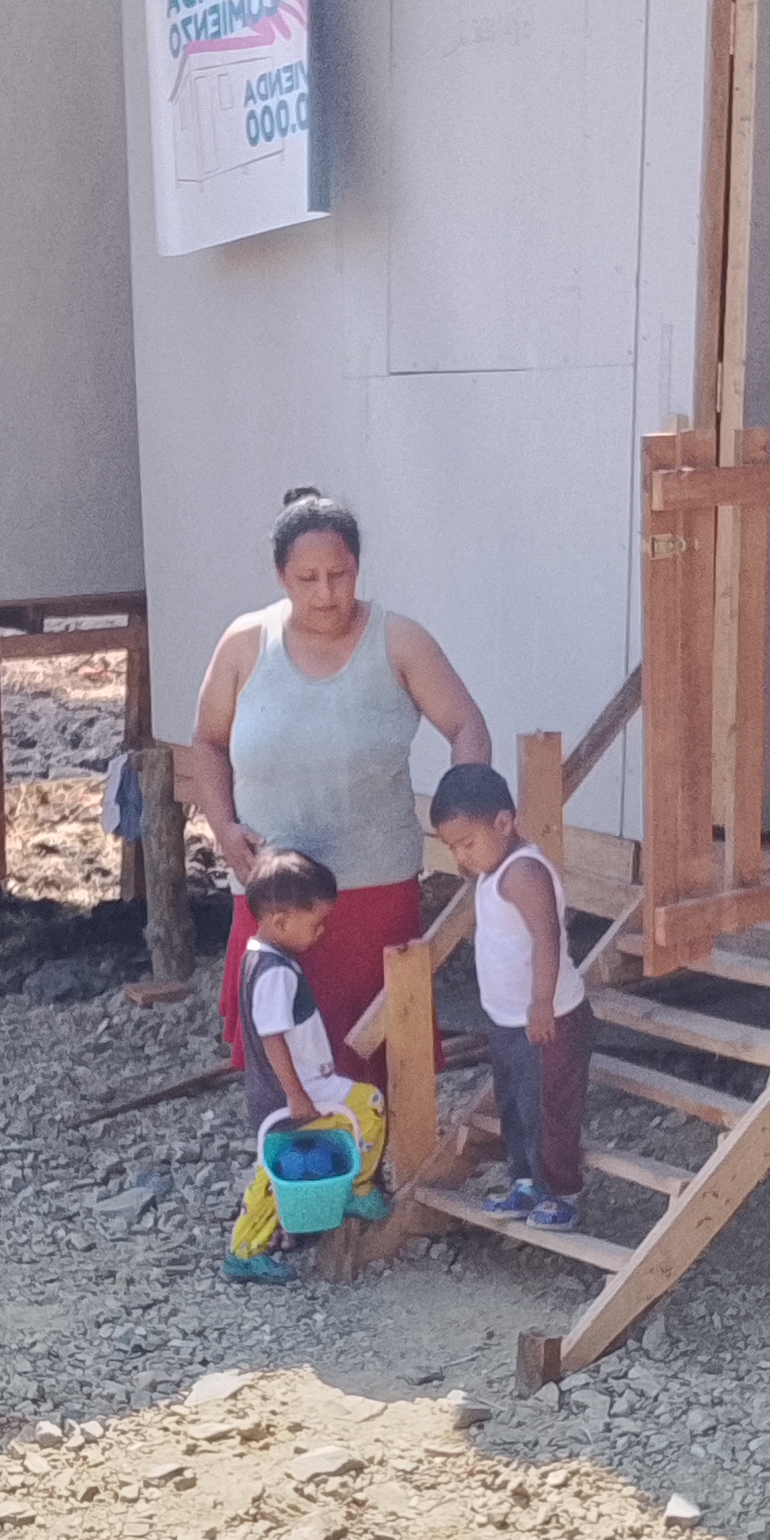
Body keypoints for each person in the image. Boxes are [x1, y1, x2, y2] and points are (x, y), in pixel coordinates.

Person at [191, 488, 492, 1095]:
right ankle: (295, 1159)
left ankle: (389, 1158)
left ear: (358, 567)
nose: (326, 592)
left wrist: (466, 825)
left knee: (380, 1066)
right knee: (283, 1063)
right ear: (281, 575)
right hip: (273, 897)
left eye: (340, 574)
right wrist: (222, 826)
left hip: (374, 893)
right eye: (307, 578)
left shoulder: (399, 641)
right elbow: (207, 741)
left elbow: (467, 726)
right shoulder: (245, 644)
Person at [429, 763, 594, 1229]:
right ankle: (525, 1182)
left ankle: (560, 1192)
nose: (462, 856)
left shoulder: (523, 872)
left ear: (504, 823)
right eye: (453, 847)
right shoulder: (492, 870)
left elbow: (547, 936)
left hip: (549, 1018)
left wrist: (542, 1002)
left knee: (549, 1108)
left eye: (467, 844)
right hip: (507, 1020)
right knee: (516, 1104)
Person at [226, 849, 386, 1283]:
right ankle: (357, 1187)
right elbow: (272, 1036)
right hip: (298, 1088)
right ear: (281, 922)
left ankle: (247, 1248)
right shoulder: (275, 972)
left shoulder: (257, 955)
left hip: (285, 1087)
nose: (322, 931)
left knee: (274, 1169)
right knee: (369, 1104)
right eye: (317, 923)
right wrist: (296, 1094)